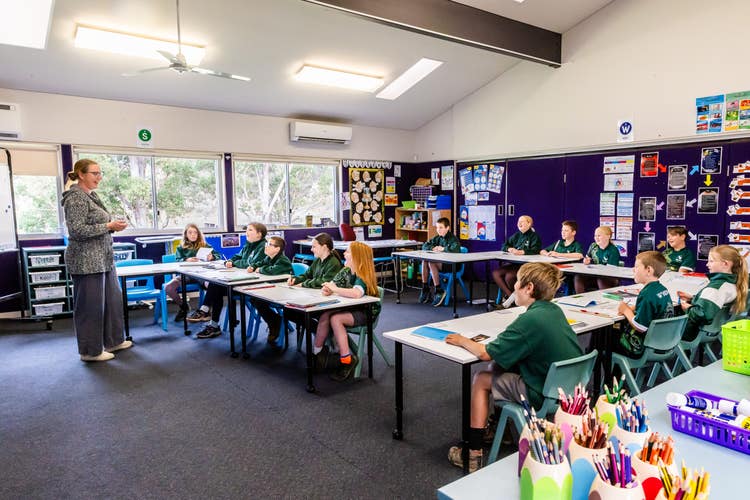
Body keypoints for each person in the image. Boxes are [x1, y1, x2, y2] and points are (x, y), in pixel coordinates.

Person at [444, 262, 583, 472]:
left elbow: (484, 353)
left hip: (542, 391)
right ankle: (503, 432)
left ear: (528, 288)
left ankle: (473, 454)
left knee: (481, 379)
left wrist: (463, 340)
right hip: (567, 387)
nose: (514, 285)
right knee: (497, 365)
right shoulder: (554, 310)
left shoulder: (530, 320)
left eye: (517, 281)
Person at [62, 158, 132, 362]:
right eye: (94, 173)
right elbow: (76, 231)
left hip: (103, 259)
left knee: (112, 302)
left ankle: (114, 340)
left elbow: (100, 223)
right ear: (81, 174)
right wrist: (109, 226)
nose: (99, 177)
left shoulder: (91, 196)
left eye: (100, 173)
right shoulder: (75, 198)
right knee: (89, 307)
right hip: (86, 261)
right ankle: (89, 351)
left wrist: (113, 225)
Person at [256, 232, 342, 346]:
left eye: (314, 246)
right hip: (315, 296)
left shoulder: (333, 263)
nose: (311, 249)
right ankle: (319, 330)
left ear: (324, 247)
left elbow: (323, 281)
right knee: (289, 311)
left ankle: (322, 333)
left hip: (327, 301)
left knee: (297, 312)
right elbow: (306, 275)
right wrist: (296, 280)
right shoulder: (318, 261)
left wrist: (303, 284)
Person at [313, 241, 381, 381]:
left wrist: (335, 290)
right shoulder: (345, 271)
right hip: (350, 308)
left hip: (365, 313)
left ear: (357, 257)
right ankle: (318, 352)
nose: (344, 253)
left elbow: (356, 294)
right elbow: (333, 284)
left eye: (348, 252)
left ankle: (346, 360)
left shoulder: (362, 274)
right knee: (325, 314)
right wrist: (328, 288)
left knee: (336, 319)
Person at [188, 222, 268, 339]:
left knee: (216, 287)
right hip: (240, 279)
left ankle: (206, 313)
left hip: (251, 285)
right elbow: (237, 257)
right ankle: (213, 324)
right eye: (247, 230)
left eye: (250, 230)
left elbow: (250, 264)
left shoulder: (263, 247)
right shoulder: (248, 244)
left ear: (259, 234)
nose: (247, 232)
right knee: (216, 285)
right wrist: (229, 261)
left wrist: (234, 263)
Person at [679, 245, 747, 342]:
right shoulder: (732, 283)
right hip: (712, 332)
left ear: (725, 264)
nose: (707, 264)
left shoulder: (716, 288)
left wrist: (687, 307)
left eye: (711, 261)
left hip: (691, 334)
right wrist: (693, 298)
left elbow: (701, 315)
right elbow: (713, 301)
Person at [616, 251, 673, 357]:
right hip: (662, 341)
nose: (633, 269)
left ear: (648, 270)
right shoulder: (662, 289)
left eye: (636, 266)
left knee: (605, 339)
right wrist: (635, 308)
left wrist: (626, 310)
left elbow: (640, 327)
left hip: (641, 347)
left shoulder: (647, 294)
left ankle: (612, 372)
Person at [164, 223, 221, 322]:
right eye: (190, 232)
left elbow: (218, 256)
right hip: (186, 275)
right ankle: (183, 307)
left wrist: (212, 257)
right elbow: (177, 260)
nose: (193, 235)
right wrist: (187, 259)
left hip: (202, 275)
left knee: (213, 286)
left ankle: (206, 311)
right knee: (168, 287)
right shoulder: (181, 247)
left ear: (198, 234)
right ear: (186, 234)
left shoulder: (205, 245)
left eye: (195, 232)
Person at [492, 215, 542, 303]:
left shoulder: (534, 236)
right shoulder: (517, 235)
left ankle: (510, 299)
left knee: (509, 276)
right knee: (496, 273)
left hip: (525, 265)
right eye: (518, 221)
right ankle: (512, 297)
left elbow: (536, 250)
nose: (519, 223)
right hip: (514, 263)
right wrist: (509, 249)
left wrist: (522, 252)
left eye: (522, 221)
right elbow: (504, 245)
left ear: (529, 224)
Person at [418, 217, 461, 307]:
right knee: (425, 260)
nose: (438, 230)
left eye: (441, 227)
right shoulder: (438, 238)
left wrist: (443, 249)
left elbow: (455, 250)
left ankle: (439, 290)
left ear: (447, 228)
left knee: (431, 262)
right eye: (437, 228)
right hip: (441, 263)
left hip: (452, 264)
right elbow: (425, 245)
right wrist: (432, 248)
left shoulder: (453, 239)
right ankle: (425, 287)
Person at [574, 225, 622, 293]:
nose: (596, 238)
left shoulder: (613, 250)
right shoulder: (593, 246)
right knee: (578, 277)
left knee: (601, 279)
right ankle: (580, 298)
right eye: (595, 236)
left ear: (608, 236)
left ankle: (604, 301)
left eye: (599, 236)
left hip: (609, 277)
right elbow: (587, 259)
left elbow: (610, 270)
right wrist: (586, 261)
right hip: (594, 275)